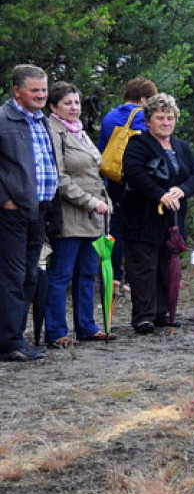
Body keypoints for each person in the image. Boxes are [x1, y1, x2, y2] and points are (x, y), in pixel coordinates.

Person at [121, 95, 194, 334]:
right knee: (144, 266)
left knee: (168, 266)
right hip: (143, 216)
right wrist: (160, 194)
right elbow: (135, 174)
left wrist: (182, 190)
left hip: (173, 219)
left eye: (169, 118)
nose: (166, 122)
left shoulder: (182, 147)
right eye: (160, 118)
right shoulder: (138, 144)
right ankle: (143, 316)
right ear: (148, 121)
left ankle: (163, 312)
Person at [44, 82, 114, 347]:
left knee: (87, 272)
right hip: (70, 212)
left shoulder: (80, 133)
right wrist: (89, 201)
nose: (74, 108)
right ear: (54, 106)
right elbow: (59, 177)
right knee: (61, 274)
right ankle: (56, 331)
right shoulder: (54, 133)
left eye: (76, 103)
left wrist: (102, 204)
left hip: (94, 215)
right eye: (67, 103)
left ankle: (87, 326)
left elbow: (93, 171)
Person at [0, 65, 57, 362]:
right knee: (13, 275)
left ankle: (16, 337)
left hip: (39, 209)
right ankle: (9, 341)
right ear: (17, 91)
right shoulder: (3, 119)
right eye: (34, 90)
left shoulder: (40, 120)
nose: (40, 95)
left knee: (29, 275)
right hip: (12, 211)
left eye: (44, 90)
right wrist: (5, 199)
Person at [98, 77, 158, 293]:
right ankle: (133, 278)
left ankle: (113, 276)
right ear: (144, 98)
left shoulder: (110, 116)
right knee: (137, 229)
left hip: (113, 178)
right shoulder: (143, 117)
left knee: (115, 228)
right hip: (136, 180)